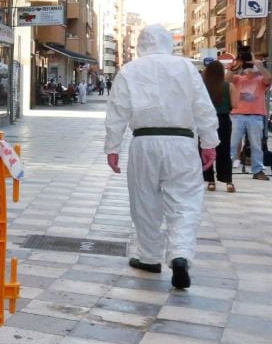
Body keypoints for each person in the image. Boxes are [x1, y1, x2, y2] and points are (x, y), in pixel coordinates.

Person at [104, 24, 218, 290]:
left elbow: (117, 110)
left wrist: (113, 147)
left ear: (141, 44)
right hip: (181, 142)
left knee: (145, 201)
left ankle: (149, 256)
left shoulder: (130, 69)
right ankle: (180, 254)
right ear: (168, 42)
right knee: (185, 201)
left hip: (144, 142)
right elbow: (203, 106)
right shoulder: (186, 68)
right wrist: (210, 142)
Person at [226, 49, 271, 181]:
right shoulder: (238, 78)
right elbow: (226, 79)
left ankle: (258, 171)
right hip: (238, 115)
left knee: (256, 145)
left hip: (255, 115)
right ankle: (225, 169)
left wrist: (259, 65)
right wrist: (235, 66)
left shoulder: (261, 80)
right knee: (232, 144)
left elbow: (269, 78)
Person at [200, 60, 234, 192]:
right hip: (224, 120)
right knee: (224, 150)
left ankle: (210, 181)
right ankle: (228, 181)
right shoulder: (229, 86)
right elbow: (235, 104)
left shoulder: (202, 87)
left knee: (206, 148)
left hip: (206, 120)